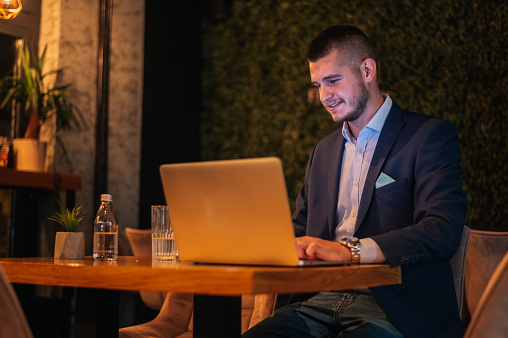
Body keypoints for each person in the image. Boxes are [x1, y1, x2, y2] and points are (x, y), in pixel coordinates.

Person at [243, 24, 467, 337]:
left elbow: (441, 230)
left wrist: (350, 252)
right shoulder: (323, 151)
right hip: (317, 303)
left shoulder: (428, 136)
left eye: (333, 81)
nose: (324, 96)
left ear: (367, 70)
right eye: (318, 85)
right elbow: (298, 230)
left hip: (396, 310)